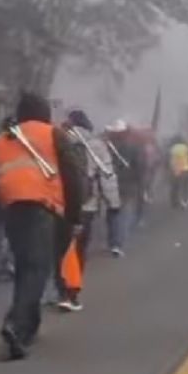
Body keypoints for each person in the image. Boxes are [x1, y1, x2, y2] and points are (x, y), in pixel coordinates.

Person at [0, 92, 85, 360]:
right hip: (43, 208)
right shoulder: (53, 134)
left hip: (12, 210)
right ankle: (16, 324)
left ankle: (28, 328)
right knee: (38, 268)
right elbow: (72, 176)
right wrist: (75, 215)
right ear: (44, 112)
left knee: (26, 267)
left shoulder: (2, 140)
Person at [55, 109, 117, 312]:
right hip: (87, 204)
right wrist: (113, 203)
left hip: (60, 202)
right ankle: (71, 292)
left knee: (60, 248)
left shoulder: (59, 139)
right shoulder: (98, 145)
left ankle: (59, 290)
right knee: (79, 249)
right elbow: (107, 176)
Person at [105, 120, 145, 254]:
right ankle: (117, 243)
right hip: (127, 186)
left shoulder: (107, 146)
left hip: (110, 184)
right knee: (122, 215)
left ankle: (113, 241)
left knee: (112, 213)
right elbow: (139, 167)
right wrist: (140, 184)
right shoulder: (133, 148)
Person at [168, 134, 188, 209]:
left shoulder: (172, 148)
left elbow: (168, 157)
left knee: (175, 186)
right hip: (185, 168)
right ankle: (183, 202)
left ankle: (174, 202)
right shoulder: (186, 148)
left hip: (175, 168)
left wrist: (168, 167)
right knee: (184, 186)